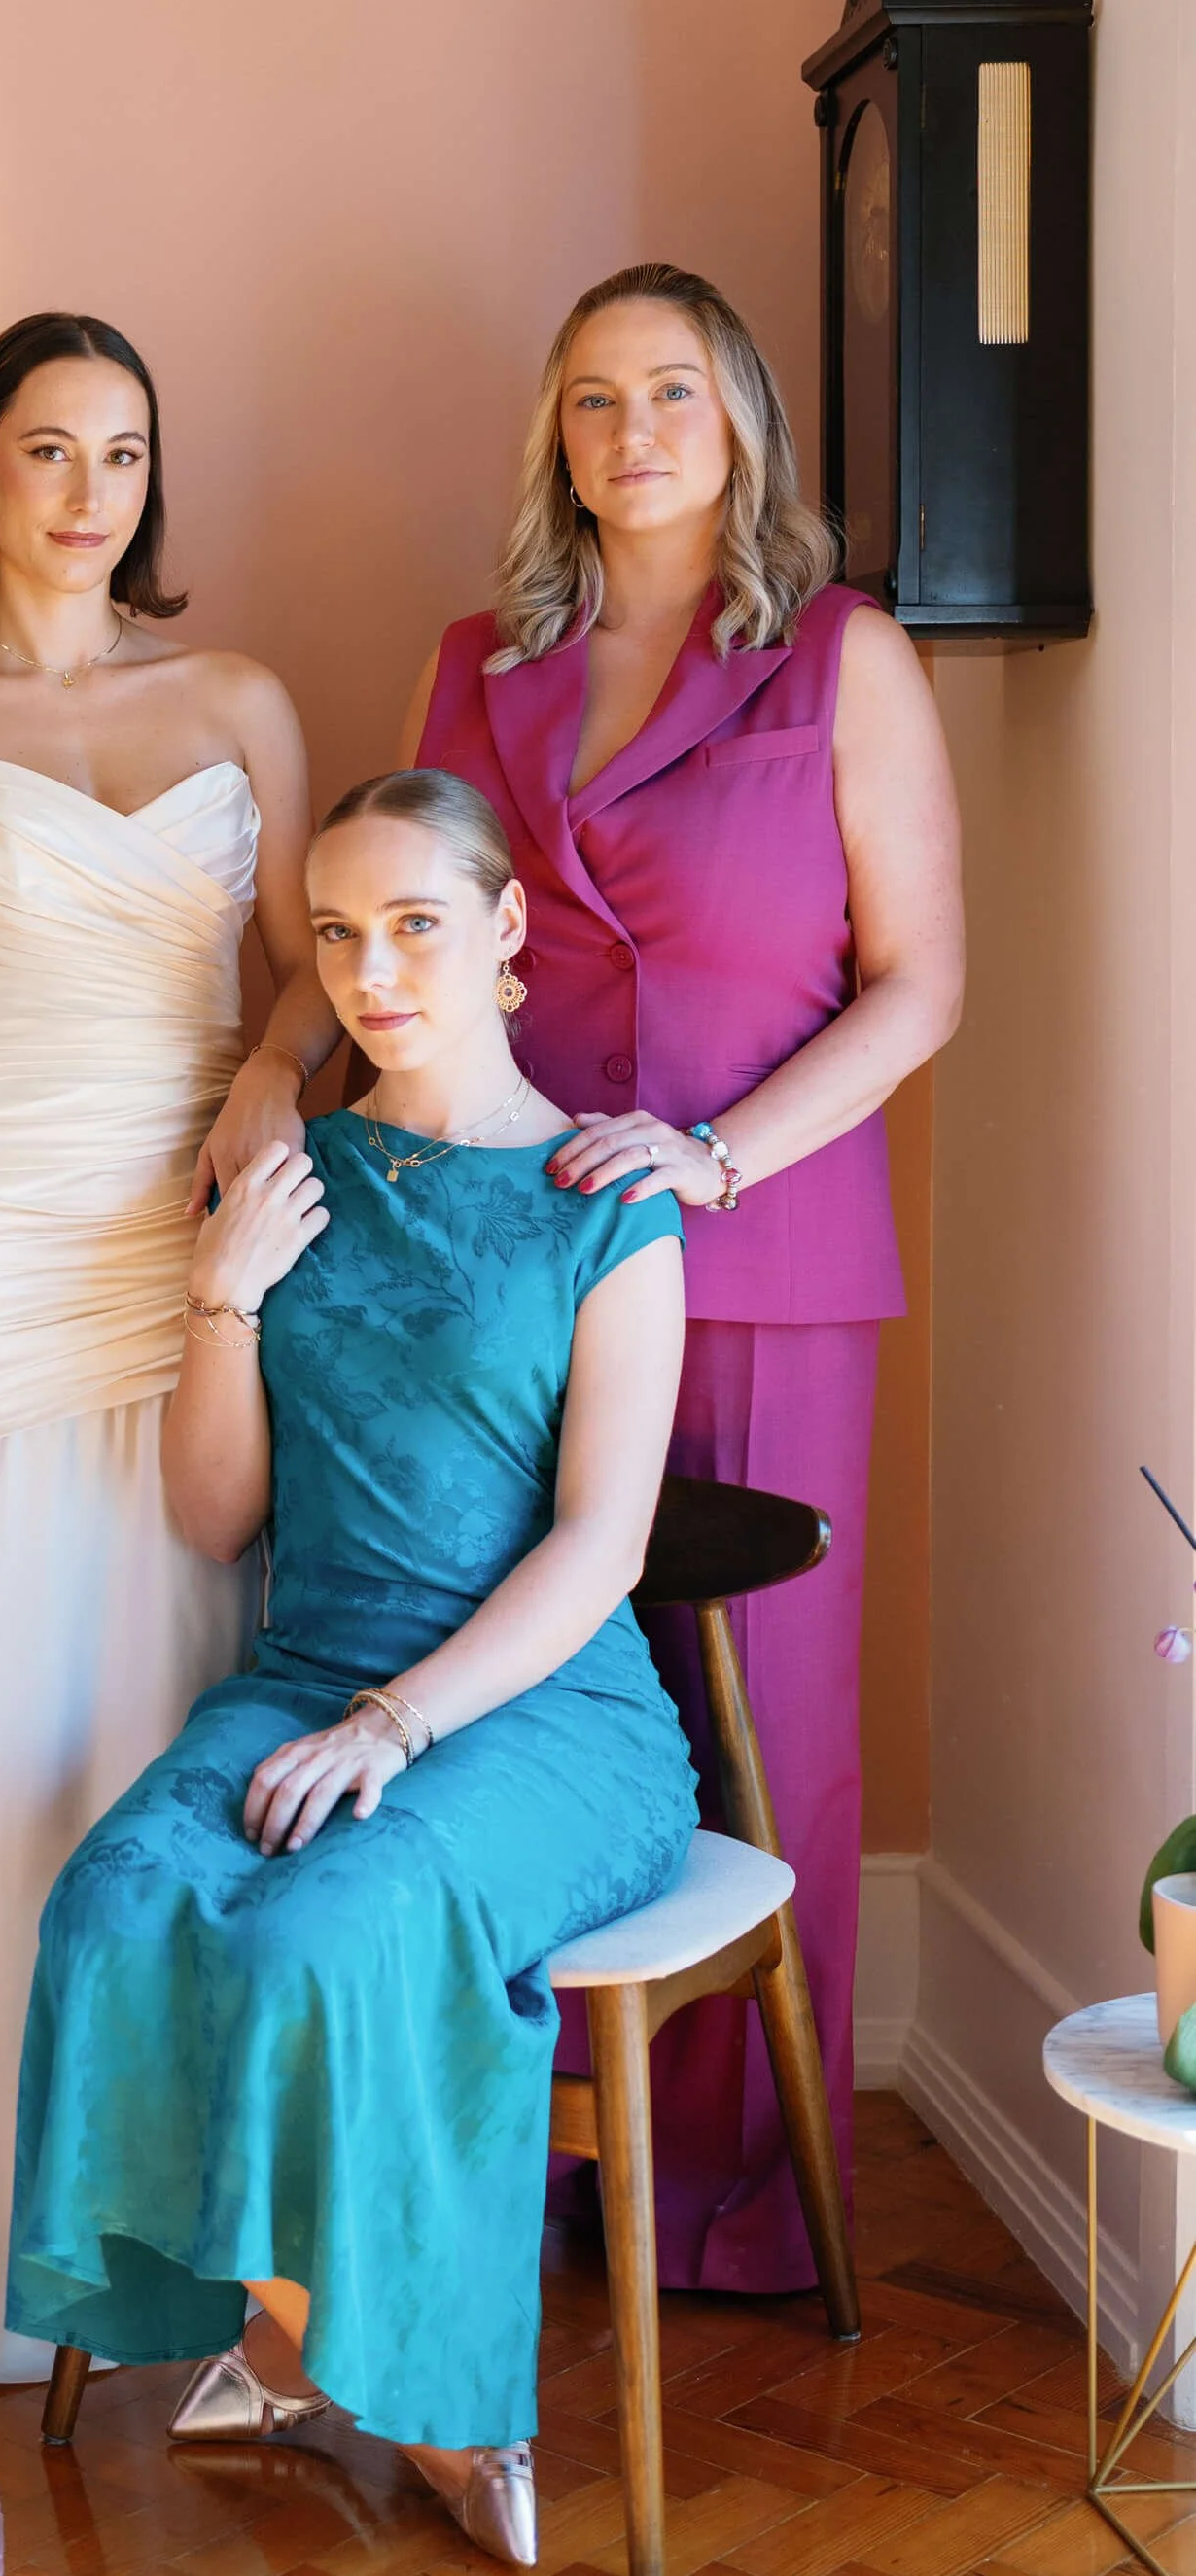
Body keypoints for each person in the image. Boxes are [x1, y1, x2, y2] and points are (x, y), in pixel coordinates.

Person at [7, 771, 696, 2566]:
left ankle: (444, 2398)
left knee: (338, 1921)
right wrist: (218, 1297)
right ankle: (294, 2339)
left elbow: (602, 1545)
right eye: (337, 935)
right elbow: (212, 1510)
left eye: (414, 926)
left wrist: (399, 1723)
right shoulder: (292, 1174)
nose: (375, 971)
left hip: (550, 1717)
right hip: (302, 1664)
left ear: (505, 929)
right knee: (112, 1899)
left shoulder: (603, 1198)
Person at [404, 260, 963, 2292]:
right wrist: (262, 1098)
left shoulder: (841, 658)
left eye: (667, 394)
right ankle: (543, 2153)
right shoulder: (474, 663)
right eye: (586, 400)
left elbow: (918, 988)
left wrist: (714, 1159)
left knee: (765, 1725)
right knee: (531, 1703)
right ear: (551, 440)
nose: (627, 433)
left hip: (765, 1259)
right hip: (514, 1268)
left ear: (738, 426)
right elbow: (404, 928)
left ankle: (737, 2193)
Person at [0, 309, 340, 2387]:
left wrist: (264, 1088)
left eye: (122, 450)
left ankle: (160, 2244)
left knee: (151, 1694)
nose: (86, 487)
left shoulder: (237, 696)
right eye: (45, 447)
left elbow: (303, 970)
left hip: (178, 1236)